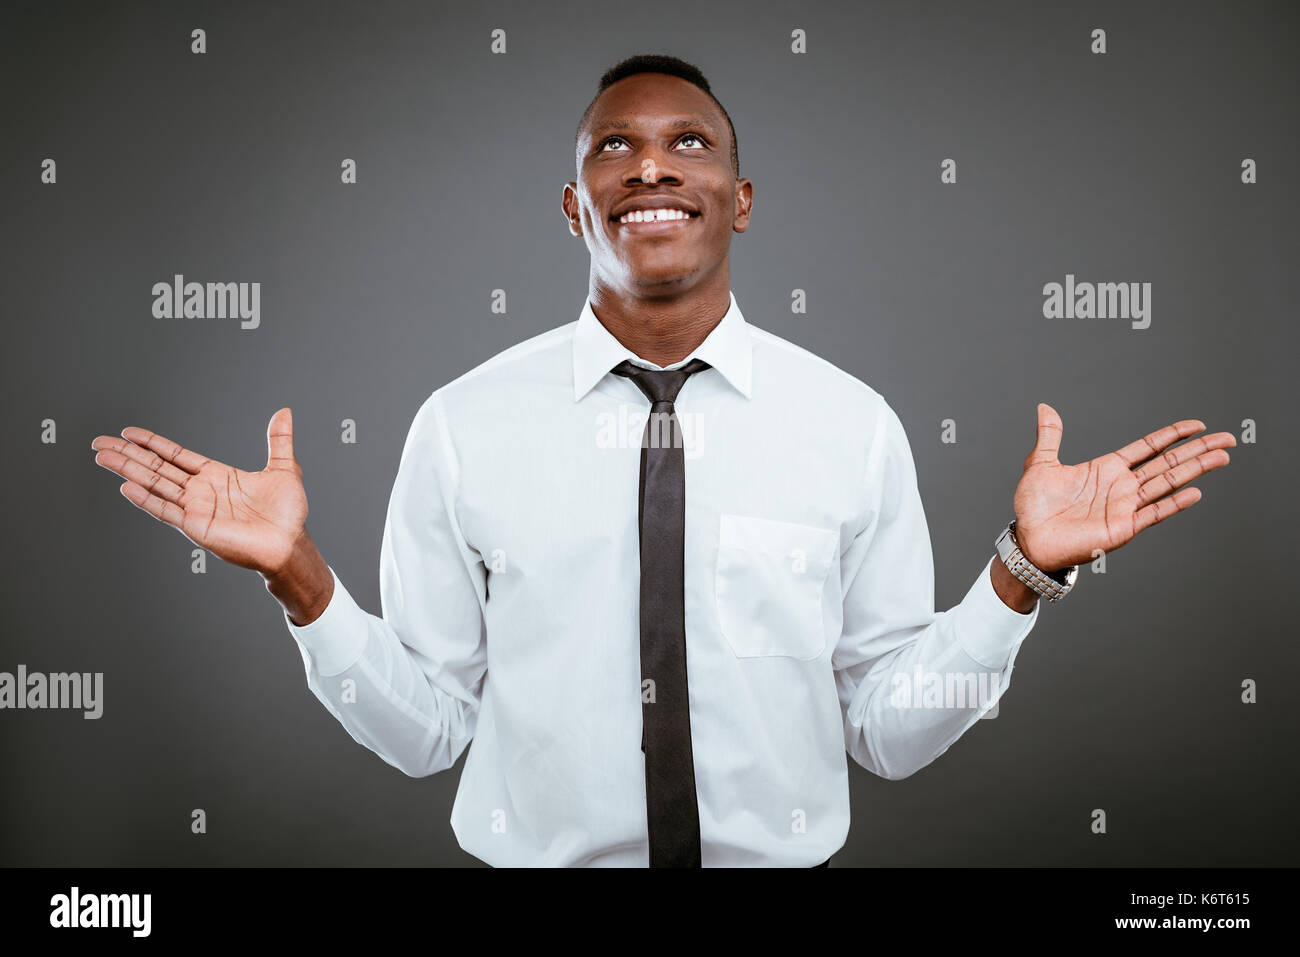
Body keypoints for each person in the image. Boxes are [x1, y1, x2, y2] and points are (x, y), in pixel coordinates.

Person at [90, 54, 1235, 867]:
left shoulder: (851, 425)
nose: (650, 168)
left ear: (738, 201)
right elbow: (427, 731)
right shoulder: (462, 424)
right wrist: (297, 577)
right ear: (571, 207)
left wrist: (1020, 572)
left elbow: (886, 731)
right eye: (614, 149)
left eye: (688, 144)